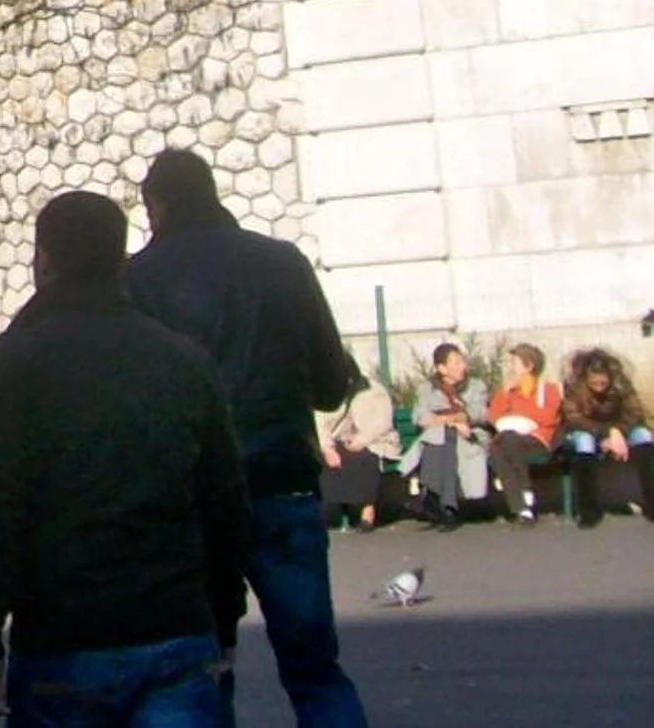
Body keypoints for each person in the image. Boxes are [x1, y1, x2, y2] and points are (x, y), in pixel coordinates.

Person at [0, 190, 249, 726]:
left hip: (62, 633)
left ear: (44, 258)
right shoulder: (183, 359)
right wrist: (224, 618)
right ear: (121, 259)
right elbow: (224, 502)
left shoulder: (17, 360)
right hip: (174, 624)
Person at [125, 148, 366, 728]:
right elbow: (332, 385)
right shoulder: (283, 263)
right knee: (313, 665)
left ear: (154, 205)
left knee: (204, 667)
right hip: (282, 475)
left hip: (190, 497)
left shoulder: (136, 281)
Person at [559, 347, 654, 526]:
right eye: (594, 384)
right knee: (583, 443)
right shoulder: (574, 389)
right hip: (588, 430)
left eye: (603, 384)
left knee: (644, 436)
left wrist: (618, 432)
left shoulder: (621, 385)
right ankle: (588, 510)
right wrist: (606, 434)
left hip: (620, 430)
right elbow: (574, 419)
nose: (599, 388)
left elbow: (635, 413)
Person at [407, 342, 489, 526]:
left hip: (468, 438)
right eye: (457, 363)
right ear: (442, 368)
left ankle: (434, 497)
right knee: (441, 439)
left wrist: (452, 420)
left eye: (462, 361)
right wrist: (453, 422)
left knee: (443, 441)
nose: (463, 367)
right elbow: (420, 417)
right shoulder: (426, 389)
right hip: (437, 438)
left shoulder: (476, 386)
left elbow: (480, 413)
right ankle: (448, 506)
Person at [483, 343, 563, 524]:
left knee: (505, 442)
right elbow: (494, 417)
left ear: (529, 366)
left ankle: (523, 495)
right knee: (498, 446)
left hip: (537, 442)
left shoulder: (547, 390)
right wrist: (504, 393)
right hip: (510, 441)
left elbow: (550, 418)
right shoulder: (509, 392)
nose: (510, 368)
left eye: (514, 363)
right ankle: (523, 507)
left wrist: (522, 420)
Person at [314, 382, 401, 531]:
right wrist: (328, 449)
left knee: (367, 458)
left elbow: (382, 424)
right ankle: (333, 510)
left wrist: (361, 440)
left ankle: (367, 511)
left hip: (378, 441)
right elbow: (322, 421)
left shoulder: (375, 390)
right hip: (347, 440)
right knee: (333, 459)